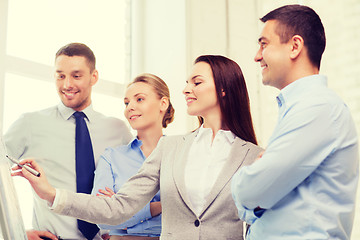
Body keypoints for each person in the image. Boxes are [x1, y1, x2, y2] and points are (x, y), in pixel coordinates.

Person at [12, 55, 263, 239]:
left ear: (223, 89)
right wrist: (51, 193)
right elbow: (117, 208)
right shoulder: (172, 147)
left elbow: (258, 224)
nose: (186, 89)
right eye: (187, 83)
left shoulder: (253, 156)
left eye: (196, 83)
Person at [231, 4, 359, 240]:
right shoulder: (304, 108)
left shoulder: (318, 108)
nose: (257, 56)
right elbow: (263, 190)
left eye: (264, 44)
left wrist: (243, 179)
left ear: (294, 46)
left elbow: (252, 190)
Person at [4, 43, 132, 240]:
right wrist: (17, 232)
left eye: (76, 75)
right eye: (60, 75)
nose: (67, 85)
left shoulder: (118, 130)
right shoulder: (30, 124)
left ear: (94, 77)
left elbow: (134, 191)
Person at [92, 73, 175, 239]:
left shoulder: (181, 153)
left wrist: (122, 207)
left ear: (163, 103)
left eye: (139, 99)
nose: (129, 107)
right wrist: (160, 206)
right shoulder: (112, 158)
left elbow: (193, 210)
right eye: (126, 102)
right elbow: (101, 217)